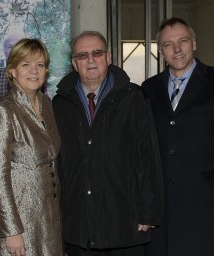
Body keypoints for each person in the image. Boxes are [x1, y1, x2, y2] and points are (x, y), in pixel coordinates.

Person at [52, 31, 163, 256]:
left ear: (109, 57)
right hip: (79, 225)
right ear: (74, 64)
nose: (90, 60)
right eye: (82, 55)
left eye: (97, 53)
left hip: (125, 222)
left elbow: (148, 156)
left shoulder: (133, 98)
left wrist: (148, 212)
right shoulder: (60, 104)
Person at [142, 17, 214, 256]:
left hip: (208, 211)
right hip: (162, 216)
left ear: (194, 44)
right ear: (161, 51)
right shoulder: (148, 88)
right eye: (168, 44)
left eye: (183, 41)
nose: (177, 49)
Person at [0, 38, 63, 256]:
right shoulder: (2, 113)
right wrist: (11, 230)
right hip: (18, 223)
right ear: (12, 71)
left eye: (39, 65)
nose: (34, 71)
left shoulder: (47, 104)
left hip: (48, 219)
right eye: (25, 65)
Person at [0, 33, 24, 101]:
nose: (14, 50)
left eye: (18, 47)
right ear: (4, 51)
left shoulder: (34, 74)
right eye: (10, 47)